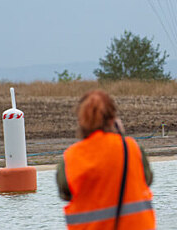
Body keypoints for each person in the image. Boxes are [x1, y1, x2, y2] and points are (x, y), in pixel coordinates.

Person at [56, 90, 156, 230]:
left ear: (81, 121)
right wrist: (120, 135)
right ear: (112, 119)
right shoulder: (131, 148)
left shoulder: (70, 157)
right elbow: (147, 179)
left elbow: (65, 193)